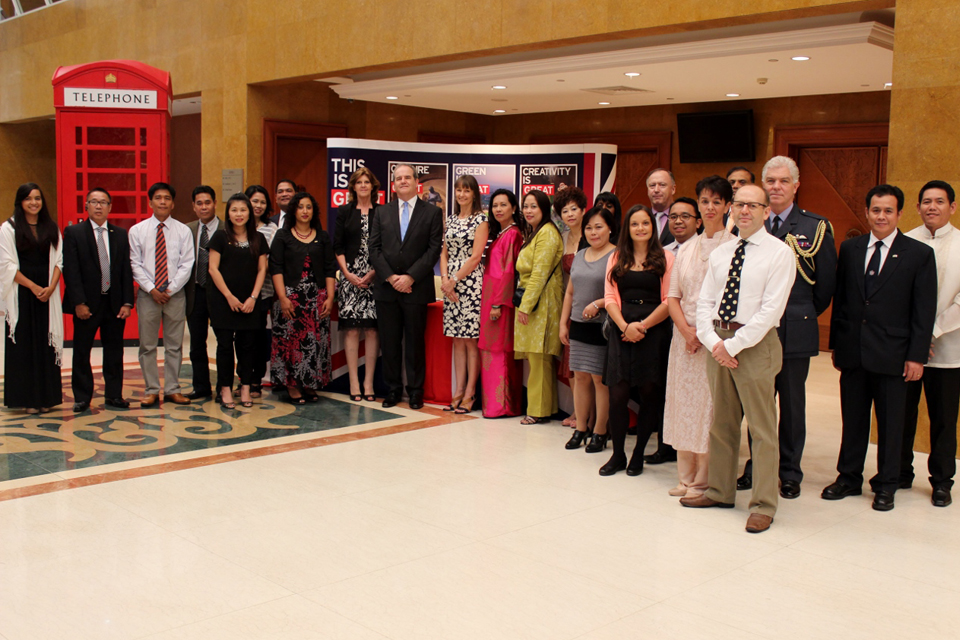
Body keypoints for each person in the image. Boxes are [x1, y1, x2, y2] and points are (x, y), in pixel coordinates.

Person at [683, 184, 795, 534]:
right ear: (732, 209)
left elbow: (770, 311)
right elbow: (705, 303)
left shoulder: (779, 253)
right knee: (722, 424)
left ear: (765, 211)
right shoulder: (722, 252)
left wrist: (733, 346)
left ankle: (763, 504)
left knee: (761, 429)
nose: (745, 211)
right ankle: (719, 490)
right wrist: (715, 341)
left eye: (753, 205)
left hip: (755, 344)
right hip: (719, 339)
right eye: (740, 205)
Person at [823, 184, 937, 512]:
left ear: (900, 213)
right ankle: (848, 477)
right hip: (854, 353)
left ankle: (886, 484)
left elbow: (923, 310)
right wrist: (836, 348)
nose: (881, 216)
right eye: (876, 210)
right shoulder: (852, 248)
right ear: (867, 212)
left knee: (890, 424)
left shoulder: (918, 254)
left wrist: (916, 356)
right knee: (853, 419)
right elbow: (842, 301)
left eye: (888, 210)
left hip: (895, 355)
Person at [738, 156, 837, 498]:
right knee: (759, 403)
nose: (776, 187)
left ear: (796, 186)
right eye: (770, 181)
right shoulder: (749, 223)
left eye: (783, 181)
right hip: (755, 332)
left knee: (792, 405)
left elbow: (824, 288)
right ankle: (757, 465)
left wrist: (798, 314)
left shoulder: (815, 226)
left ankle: (790, 471)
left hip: (795, 329)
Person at [662, 176, 735, 498]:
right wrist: (685, 331)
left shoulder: (734, 247)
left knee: (709, 409)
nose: (710, 207)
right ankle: (684, 475)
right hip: (684, 341)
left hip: (714, 341)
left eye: (716, 202)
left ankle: (704, 478)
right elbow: (673, 296)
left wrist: (702, 335)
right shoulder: (687, 248)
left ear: (727, 206)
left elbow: (730, 300)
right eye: (704, 201)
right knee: (682, 405)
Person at [599, 205, 674, 476]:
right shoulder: (616, 257)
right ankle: (618, 455)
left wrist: (642, 326)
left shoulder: (666, 257)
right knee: (617, 395)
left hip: (653, 332)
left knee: (649, 395)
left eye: (646, 223)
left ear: (652, 227)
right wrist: (624, 326)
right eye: (634, 224)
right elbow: (609, 297)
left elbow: (669, 300)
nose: (640, 228)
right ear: (627, 228)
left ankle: (639, 453)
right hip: (622, 331)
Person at [901, 180, 960, 507]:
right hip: (908, 349)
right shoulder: (906, 241)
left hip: (948, 349)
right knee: (903, 414)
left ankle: (941, 481)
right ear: (918, 206)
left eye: (939, 201)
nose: (932, 207)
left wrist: (931, 334)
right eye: (926, 201)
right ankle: (899, 472)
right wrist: (916, 339)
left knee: (943, 418)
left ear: (952, 207)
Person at [368, 164, 443, 410]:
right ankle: (392, 390)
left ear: (416, 182)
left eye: (407, 177)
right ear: (393, 184)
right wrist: (391, 277)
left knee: (414, 343)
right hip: (386, 290)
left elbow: (433, 250)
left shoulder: (431, 213)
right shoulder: (381, 212)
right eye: (398, 178)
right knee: (389, 343)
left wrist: (409, 277)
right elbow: (374, 249)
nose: (402, 181)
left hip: (416, 288)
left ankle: (415, 391)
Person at [62, 187, 134, 412]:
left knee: (114, 351)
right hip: (87, 305)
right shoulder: (74, 233)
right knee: (82, 351)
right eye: (94, 201)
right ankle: (82, 397)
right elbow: (71, 271)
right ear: (86, 206)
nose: (99, 206)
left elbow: (125, 271)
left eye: (103, 202)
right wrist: (79, 303)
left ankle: (114, 395)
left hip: (113, 304)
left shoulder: (120, 234)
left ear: (110, 207)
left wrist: (127, 302)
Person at [129, 182, 195, 407]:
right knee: (147, 345)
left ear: (173, 203)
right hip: (148, 295)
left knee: (174, 345)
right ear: (150, 202)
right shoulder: (137, 231)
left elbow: (187, 263)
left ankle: (172, 389)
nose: (163, 202)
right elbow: (135, 264)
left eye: (167, 198)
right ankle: (151, 389)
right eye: (158, 198)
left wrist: (169, 289)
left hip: (175, 295)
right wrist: (152, 289)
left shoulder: (183, 231)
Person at [0, 183, 63, 413]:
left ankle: (46, 398)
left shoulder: (50, 227)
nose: (34, 203)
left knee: (45, 344)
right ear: (20, 202)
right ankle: (27, 400)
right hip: (23, 293)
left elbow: (59, 261)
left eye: (37, 198)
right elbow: (6, 266)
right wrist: (34, 287)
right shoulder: (8, 228)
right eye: (28, 199)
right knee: (24, 345)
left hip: (47, 294)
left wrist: (50, 287)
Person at [270, 192, 337, 404]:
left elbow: (329, 268)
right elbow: (276, 267)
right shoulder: (282, 236)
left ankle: (310, 383)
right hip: (290, 298)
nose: (305, 211)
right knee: (291, 341)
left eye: (308, 207)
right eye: (300, 207)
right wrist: (282, 297)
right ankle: (291, 384)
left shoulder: (322, 236)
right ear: (293, 211)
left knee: (314, 343)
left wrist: (330, 296)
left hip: (317, 298)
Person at [560, 205, 617, 451]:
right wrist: (564, 322)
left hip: (603, 326)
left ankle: (600, 432)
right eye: (589, 228)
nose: (594, 232)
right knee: (580, 377)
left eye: (599, 227)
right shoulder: (581, 255)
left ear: (610, 229)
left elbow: (620, 293)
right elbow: (570, 291)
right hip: (578, 325)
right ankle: (581, 428)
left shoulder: (617, 255)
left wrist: (599, 303)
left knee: (599, 380)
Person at [206, 193, 270, 408]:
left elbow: (262, 269)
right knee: (224, 346)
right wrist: (229, 297)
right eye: (234, 210)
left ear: (249, 213)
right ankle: (224, 389)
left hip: (250, 301)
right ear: (228, 213)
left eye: (243, 210)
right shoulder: (219, 237)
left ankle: (245, 388)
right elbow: (213, 269)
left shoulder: (258, 239)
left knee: (248, 346)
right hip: (223, 300)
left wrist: (253, 297)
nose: (239, 214)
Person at [514, 189, 564, 424]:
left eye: (534, 206)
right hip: (534, 300)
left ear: (544, 208)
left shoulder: (547, 233)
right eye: (526, 206)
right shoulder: (535, 233)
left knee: (539, 356)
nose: (528, 210)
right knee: (537, 357)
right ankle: (547, 407)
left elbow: (539, 274)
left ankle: (537, 411)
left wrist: (525, 306)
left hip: (541, 302)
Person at [440, 174, 488, 414]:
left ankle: (470, 394)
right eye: (458, 190)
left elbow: (476, 256)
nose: (461, 194)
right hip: (451, 285)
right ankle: (457, 390)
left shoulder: (481, 220)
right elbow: (443, 252)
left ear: (474, 194)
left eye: (466, 190)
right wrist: (446, 279)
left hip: (470, 284)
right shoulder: (449, 219)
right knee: (457, 340)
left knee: (470, 341)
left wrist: (455, 280)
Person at [333, 168, 380, 402]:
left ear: (373, 186)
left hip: (375, 277)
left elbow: (385, 248)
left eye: (367, 182)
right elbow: (338, 246)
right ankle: (353, 382)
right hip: (350, 278)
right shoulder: (344, 211)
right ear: (353, 186)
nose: (363, 185)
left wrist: (373, 273)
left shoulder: (381, 212)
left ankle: (368, 383)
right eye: (359, 182)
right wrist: (347, 274)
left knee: (372, 330)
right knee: (351, 329)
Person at [479, 189, 524, 418]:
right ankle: (493, 405)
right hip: (490, 299)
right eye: (494, 205)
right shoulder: (500, 233)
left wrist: (498, 303)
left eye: (503, 205)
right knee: (490, 348)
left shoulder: (513, 234)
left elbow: (508, 273)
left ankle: (503, 405)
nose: (498, 209)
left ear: (513, 208)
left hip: (500, 302)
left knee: (500, 350)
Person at [184, 186, 223, 400]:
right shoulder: (186, 230)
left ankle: (223, 387)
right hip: (196, 291)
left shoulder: (227, 229)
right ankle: (201, 387)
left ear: (215, 203)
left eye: (207, 202)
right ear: (193, 207)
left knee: (223, 341)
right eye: (199, 203)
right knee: (197, 342)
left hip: (220, 294)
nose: (204, 207)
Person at [555, 186, 589, 427]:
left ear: (584, 209)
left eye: (574, 209)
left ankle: (591, 416)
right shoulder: (563, 238)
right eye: (564, 210)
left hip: (594, 306)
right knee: (572, 366)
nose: (570, 214)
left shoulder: (593, 234)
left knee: (590, 369)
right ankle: (578, 413)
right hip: (571, 305)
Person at [245, 184, 278, 396]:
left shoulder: (271, 229)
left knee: (258, 338)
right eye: (254, 201)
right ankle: (244, 380)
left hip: (263, 292)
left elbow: (272, 261)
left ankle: (255, 381)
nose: (258, 205)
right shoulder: (237, 227)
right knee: (242, 339)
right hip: (238, 293)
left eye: (262, 202)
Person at [646, 168, 677, 246]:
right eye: (652, 186)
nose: (656, 190)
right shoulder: (643, 217)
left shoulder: (683, 216)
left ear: (673, 189)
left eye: (662, 185)